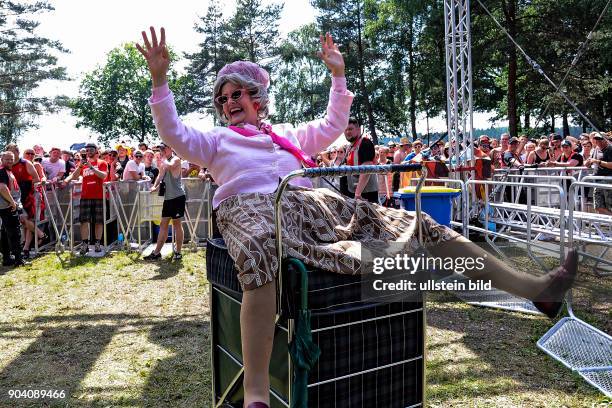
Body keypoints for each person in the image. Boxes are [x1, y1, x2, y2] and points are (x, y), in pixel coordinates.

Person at [137, 27, 577, 408]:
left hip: (311, 206)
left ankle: (535, 290)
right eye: (225, 97)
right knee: (257, 248)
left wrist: (338, 74)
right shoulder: (215, 141)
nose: (231, 101)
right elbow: (173, 132)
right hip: (250, 209)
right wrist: (160, 82)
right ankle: (256, 393)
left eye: (239, 93)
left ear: (258, 98)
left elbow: (331, 125)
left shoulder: (288, 135)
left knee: (421, 225)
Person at [64, 143, 108, 254]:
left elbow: (103, 176)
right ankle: (85, 244)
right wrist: (65, 181)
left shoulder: (102, 163)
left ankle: (97, 243)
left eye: (91, 149)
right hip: (85, 196)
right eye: (87, 150)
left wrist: (91, 166)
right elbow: (74, 176)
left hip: (98, 196)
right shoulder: (81, 164)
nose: (88, 152)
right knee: (84, 221)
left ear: (96, 150)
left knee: (98, 221)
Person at [144, 142, 185, 261]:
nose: (161, 151)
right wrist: (154, 186)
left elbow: (169, 166)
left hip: (177, 197)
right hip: (168, 198)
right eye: (160, 149)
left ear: (170, 148)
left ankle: (178, 251)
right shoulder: (164, 162)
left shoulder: (175, 159)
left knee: (177, 224)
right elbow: (160, 176)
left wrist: (162, 159)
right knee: (163, 224)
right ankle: (157, 253)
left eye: (163, 148)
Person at [5, 144, 45, 258]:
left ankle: (26, 248)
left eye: (14, 152)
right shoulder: (5, 164)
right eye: (10, 153)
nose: (12, 156)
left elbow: (36, 178)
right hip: (13, 195)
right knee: (22, 220)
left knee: (26, 219)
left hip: (28, 194)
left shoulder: (26, 163)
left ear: (18, 152)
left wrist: (29, 191)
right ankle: (40, 234)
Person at [0, 151, 28, 267]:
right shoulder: (2, 171)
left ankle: (7, 258)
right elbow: (2, 187)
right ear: (2, 159)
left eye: (11, 159)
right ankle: (19, 260)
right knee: (15, 233)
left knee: (5, 233)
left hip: (6, 205)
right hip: (7, 206)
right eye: (7, 159)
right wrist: (12, 202)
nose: (10, 161)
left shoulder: (8, 171)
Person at [344, 118, 378, 203]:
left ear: (358, 129)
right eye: (346, 130)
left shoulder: (365, 143)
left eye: (350, 129)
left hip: (366, 194)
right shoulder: (349, 147)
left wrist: (357, 194)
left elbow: (366, 169)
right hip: (355, 193)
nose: (348, 132)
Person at [585, 133, 612, 215]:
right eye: (596, 139)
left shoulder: (610, 149)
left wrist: (597, 161)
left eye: (600, 139)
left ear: (606, 139)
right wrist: (587, 163)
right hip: (598, 181)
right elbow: (590, 160)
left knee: (609, 206)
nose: (598, 141)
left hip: (608, 181)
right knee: (598, 206)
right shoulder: (595, 149)